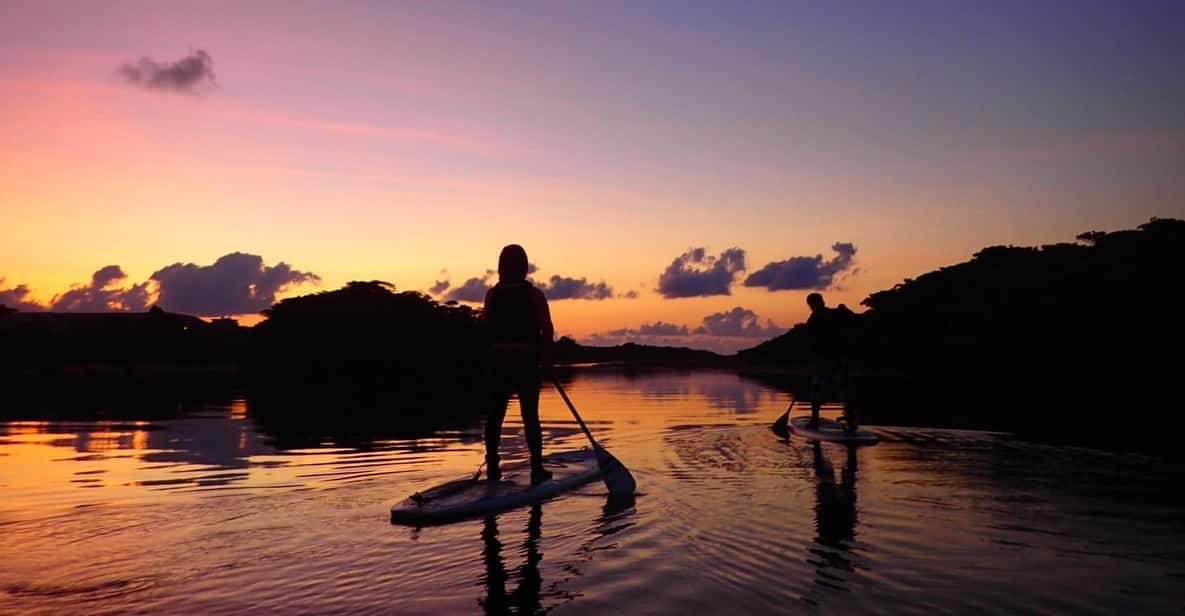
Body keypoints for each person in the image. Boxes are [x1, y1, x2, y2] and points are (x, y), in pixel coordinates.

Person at [483, 244, 555, 484]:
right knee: (530, 417)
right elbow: (546, 330)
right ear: (524, 268)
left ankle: (493, 467)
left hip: (498, 361)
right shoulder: (534, 295)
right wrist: (546, 360)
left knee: (495, 416)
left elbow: (487, 329)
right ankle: (537, 468)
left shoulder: (492, 294)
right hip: (525, 361)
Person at [805, 292, 859, 432]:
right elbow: (854, 319)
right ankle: (851, 421)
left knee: (817, 392)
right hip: (839, 358)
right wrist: (844, 310)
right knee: (845, 389)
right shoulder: (835, 313)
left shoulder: (814, 319)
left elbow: (811, 343)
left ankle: (815, 421)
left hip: (825, 360)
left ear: (811, 305)